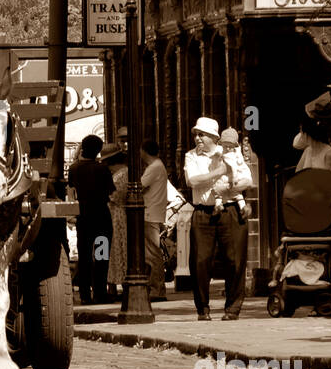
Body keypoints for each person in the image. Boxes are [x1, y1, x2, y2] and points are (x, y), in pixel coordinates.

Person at [185, 117, 251, 321]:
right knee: (200, 262)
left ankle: (232, 308)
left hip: (229, 210)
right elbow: (192, 181)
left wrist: (228, 187)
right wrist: (221, 171)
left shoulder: (230, 153)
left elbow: (247, 180)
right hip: (203, 211)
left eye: (201, 135)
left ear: (214, 137)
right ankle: (202, 309)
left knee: (234, 260)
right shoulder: (191, 156)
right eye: (196, 134)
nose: (197, 138)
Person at [67, 134, 115, 304]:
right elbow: (111, 192)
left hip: (84, 218)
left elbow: (71, 191)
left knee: (85, 257)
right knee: (101, 256)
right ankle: (100, 292)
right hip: (101, 218)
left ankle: (85, 294)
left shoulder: (74, 169)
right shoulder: (102, 169)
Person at [139, 139, 182, 301]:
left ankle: (157, 289)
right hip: (154, 213)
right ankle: (154, 286)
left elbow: (139, 186)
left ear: (144, 151)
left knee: (152, 253)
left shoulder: (154, 167)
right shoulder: (158, 166)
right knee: (152, 252)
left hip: (149, 214)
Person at [104, 146, 129, 295]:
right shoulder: (123, 173)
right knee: (114, 250)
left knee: (116, 249)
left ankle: (114, 285)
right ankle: (112, 284)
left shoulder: (121, 175)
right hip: (115, 214)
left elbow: (114, 195)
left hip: (116, 215)